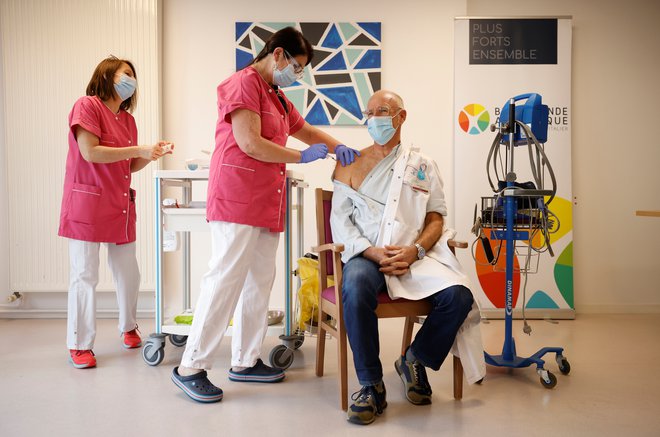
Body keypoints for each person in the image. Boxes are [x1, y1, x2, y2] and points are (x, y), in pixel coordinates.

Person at [171, 26, 359, 403]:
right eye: (297, 67)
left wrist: (343, 149)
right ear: (277, 55)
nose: (297, 75)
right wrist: (299, 157)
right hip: (238, 196)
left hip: (264, 200)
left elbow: (305, 130)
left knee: (260, 279)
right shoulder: (241, 84)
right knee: (225, 277)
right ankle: (191, 365)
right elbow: (249, 143)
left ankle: (245, 359)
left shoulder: (275, 95)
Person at [330, 90, 485, 425]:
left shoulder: (422, 164)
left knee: (459, 296)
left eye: (382, 111)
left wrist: (414, 251)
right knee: (355, 287)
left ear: (401, 116)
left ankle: (414, 359)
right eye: (368, 113)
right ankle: (371, 385)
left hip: (413, 254)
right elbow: (339, 221)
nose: (374, 119)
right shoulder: (350, 163)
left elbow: (436, 218)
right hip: (366, 254)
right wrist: (371, 251)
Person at [59, 56, 173, 369]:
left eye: (133, 76)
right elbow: (90, 152)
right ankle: (79, 343)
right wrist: (139, 149)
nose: (131, 80)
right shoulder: (87, 106)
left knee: (129, 272)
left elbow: (129, 163)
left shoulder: (127, 120)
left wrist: (151, 154)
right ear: (107, 76)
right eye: (126, 74)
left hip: (119, 203)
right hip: (87, 201)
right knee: (85, 274)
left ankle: (128, 326)